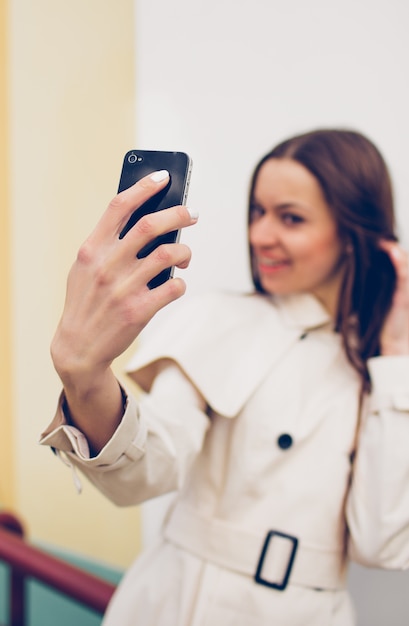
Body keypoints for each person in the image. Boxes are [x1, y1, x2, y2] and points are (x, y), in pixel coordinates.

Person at [40, 129, 409, 626]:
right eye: (257, 212)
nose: (259, 235)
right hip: (175, 602)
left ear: (353, 233)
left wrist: (397, 355)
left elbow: (383, 542)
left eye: (290, 217)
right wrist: (86, 376)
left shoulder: (388, 372)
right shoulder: (221, 319)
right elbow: (147, 467)